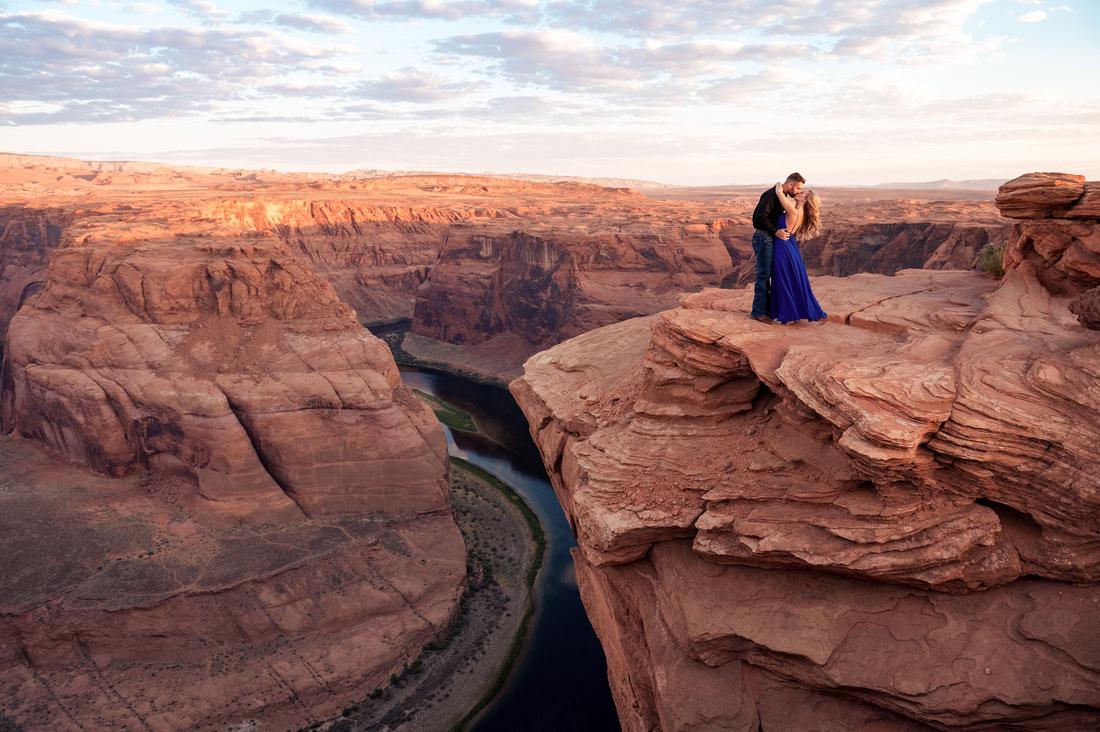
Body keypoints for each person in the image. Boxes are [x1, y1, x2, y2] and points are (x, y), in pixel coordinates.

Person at [768, 183, 827, 324]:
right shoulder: (798, 211)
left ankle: (787, 316)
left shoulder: (794, 211)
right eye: (799, 191)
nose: (798, 193)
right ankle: (789, 313)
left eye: (802, 193)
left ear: (805, 200)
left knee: (783, 279)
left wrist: (781, 185)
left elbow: (779, 192)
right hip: (789, 246)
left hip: (782, 247)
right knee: (788, 278)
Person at [750, 172, 804, 322]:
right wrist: (775, 231)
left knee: (769, 274)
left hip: (769, 238)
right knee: (764, 275)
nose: (799, 191)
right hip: (764, 237)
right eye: (798, 188)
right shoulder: (771, 195)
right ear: (791, 184)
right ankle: (758, 313)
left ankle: (766, 310)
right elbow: (758, 218)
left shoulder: (780, 195)